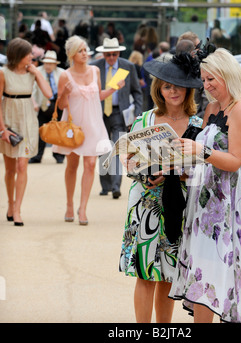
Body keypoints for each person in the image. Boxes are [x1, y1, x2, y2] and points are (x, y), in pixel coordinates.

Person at [168, 47, 241, 323]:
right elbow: (202, 155)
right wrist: (176, 164)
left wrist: (197, 151)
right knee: (203, 275)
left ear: (227, 74)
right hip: (206, 203)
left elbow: (234, 161)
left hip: (233, 207)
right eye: (203, 80)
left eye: (211, 79)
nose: (206, 86)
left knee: (231, 277)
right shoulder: (214, 108)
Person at [119, 52, 203, 323]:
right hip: (145, 204)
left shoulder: (198, 125)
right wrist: (139, 168)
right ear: (159, 89)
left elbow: (205, 168)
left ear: (188, 89)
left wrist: (177, 175)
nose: (173, 91)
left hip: (179, 204)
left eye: (178, 85)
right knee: (144, 274)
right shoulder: (143, 121)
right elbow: (128, 161)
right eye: (167, 86)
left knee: (167, 275)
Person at [52, 35, 114, 225]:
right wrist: (65, 93)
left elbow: (98, 96)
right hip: (74, 127)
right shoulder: (65, 75)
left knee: (90, 165)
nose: (85, 53)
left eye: (86, 49)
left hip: (94, 124)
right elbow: (61, 105)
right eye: (80, 50)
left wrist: (113, 89)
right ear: (72, 54)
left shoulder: (95, 70)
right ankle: (70, 204)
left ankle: (83, 208)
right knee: (72, 165)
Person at [0, 38, 52, 226]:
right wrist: (3, 129)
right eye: (29, 53)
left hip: (28, 121)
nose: (32, 56)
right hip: (9, 121)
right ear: (18, 55)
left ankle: (17, 210)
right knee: (10, 169)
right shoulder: (3, 73)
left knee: (22, 165)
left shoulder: (33, 72)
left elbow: (48, 93)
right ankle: (10, 203)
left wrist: (37, 73)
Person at [90, 37, 143, 199]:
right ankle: (105, 186)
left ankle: (115, 186)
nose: (111, 57)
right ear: (104, 54)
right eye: (108, 55)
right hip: (99, 113)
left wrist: (136, 114)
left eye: (114, 54)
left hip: (120, 114)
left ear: (118, 53)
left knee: (116, 148)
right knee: (103, 148)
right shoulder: (94, 67)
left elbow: (137, 92)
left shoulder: (128, 67)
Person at [29, 50, 65, 164]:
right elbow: (31, 89)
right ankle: (37, 156)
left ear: (55, 64)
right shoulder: (37, 72)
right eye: (46, 63)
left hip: (57, 105)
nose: (48, 66)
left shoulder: (62, 73)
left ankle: (59, 155)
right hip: (42, 105)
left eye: (50, 63)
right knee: (40, 131)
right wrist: (34, 103)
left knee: (59, 132)